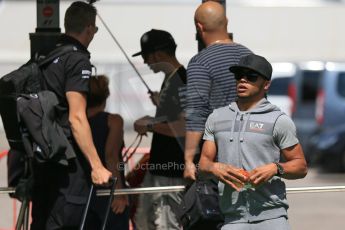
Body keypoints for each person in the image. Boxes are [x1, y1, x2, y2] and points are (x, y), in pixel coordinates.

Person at [199, 54, 308, 230]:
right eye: (239, 75)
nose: (242, 80)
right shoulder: (216, 117)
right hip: (233, 219)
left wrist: (276, 168)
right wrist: (214, 167)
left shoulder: (279, 120)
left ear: (266, 85)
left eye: (251, 77)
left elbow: (300, 166)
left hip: (273, 217)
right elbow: (203, 164)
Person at [30, 2, 112, 229]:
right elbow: (76, 117)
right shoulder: (77, 59)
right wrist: (97, 166)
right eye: (94, 30)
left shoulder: (44, 55)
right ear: (89, 28)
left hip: (43, 157)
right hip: (66, 164)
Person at [184, 1, 252, 180]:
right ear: (226, 21)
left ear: (199, 27)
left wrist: (189, 160)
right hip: (252, 153)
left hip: (217, 158)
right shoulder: (250, 56)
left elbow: (197, 113)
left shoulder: (200, 62)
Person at [132, 29, 186, 230]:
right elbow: (174, 118)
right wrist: (158, 111)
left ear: (158, 54)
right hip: (159, 166)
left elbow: (184, 127)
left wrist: (151, 124)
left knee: (166, 224)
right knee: (145, 221)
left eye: (146, 56)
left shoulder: (182, 80)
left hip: (171, 169)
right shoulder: (171, 79)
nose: (146, 62)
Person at [86, 75, 129, 229]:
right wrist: (119, 193)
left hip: (82, 193)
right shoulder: (113, 121)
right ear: (106, 96)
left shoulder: (76, 124)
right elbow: (111, 156)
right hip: (107, 192)